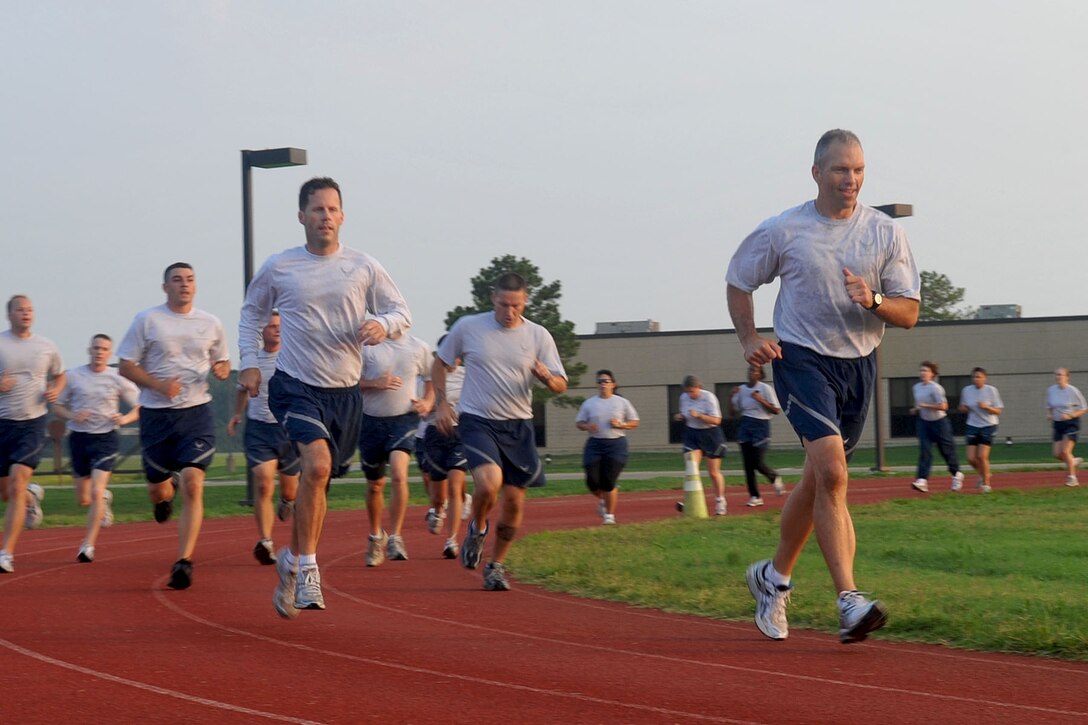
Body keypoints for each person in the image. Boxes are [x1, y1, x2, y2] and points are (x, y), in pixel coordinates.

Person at [726, 129, 920, 644]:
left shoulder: (885, 233)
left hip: (858, 364)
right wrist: (749, 338)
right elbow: (739, 280)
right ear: (817, 174)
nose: (850, 179)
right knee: (834, 473)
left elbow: (909, 312)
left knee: (818, 481)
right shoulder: (785, 230)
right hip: (801, 358)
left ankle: (774, 578)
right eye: (839, 170)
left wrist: (873, 300)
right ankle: (850, 599)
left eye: (858, 170)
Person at [238, 177, 410, 618]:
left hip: (345, 393)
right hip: (295, 386)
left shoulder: (363, 266)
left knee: (319, 483)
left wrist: (383, 326)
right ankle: (310, 569)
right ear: (302, 217)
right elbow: (252, 311)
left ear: (342, 216)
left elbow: (400, 311)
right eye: (317, 210)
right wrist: (250, 361)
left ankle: (292, 562)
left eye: (333, 209)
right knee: (317, 466)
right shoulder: (281, 266)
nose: (326, 217)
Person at [433, 271, 567, 591]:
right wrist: (441, 403)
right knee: (488, 483)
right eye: (504, 304)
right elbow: (439, 363)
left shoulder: (538, 336)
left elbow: (561, 385)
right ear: (493, 298)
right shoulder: (469, 327)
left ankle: (496, 566)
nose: (510, 312)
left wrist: (547, 377)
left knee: (514, 504)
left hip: (518, 425)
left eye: (516, 305)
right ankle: (477, 528)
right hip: (478, 420)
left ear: (525, 301)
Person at [118, 263, 230, 590]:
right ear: (165, 287)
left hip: (196, 413)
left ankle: (184, 561)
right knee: (158, 489)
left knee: (195, 483)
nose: (184, 285)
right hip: (156, 416)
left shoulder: (210, 323)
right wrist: (156, 384)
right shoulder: (147, 320)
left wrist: (222, 369)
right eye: (177, 280)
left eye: (190, 280)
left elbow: (221, 360)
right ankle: (165, 496)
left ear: (195, 286)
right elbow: (125, 364)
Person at [53, 334, 140, 563]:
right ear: (88, 350)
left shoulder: (117, 377)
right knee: (84, 499)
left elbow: (140, 406)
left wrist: (125, 419)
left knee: (95, 490)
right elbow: (58, 407)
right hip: (79, 438)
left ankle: (87, 546)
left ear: (109, 353)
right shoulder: (74, 376)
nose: (99, 352)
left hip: (106, 439)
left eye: (104, 349)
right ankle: (103, 501)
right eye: (96, 348)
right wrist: (73, 415)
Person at [227, 312, 299, 566]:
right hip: (260, 429)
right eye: (270, 326)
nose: (276, 330)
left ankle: (287, 501)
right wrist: (237, 414)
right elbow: (240, 389)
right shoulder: (253, 359)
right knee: (264, 483)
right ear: (262, 332)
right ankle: (266, 541)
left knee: (290, 491)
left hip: (289, 430)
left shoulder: (293, 355)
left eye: (279, 326)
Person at [0, 295, 65, 574]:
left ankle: (6, 553)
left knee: (15, 484)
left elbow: (60, 375)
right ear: (9, 314)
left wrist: (56, 390)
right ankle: (30, 496)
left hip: (32, 423)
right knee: (7, 492)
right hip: (2, 423)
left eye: (30, 310)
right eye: (20, 310)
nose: (26, 314)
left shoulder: (46, 346)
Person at [358, 331, 433, 566]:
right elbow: (348, 382)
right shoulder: (365, 346)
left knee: (400, 474)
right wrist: (374, 383)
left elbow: (433, 377)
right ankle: (375, 535)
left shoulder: (418, 346)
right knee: (375, 485)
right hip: (370, 422)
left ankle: (396, 537)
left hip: (404, 420)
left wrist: (428, 401)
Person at [420, 344, 470, 559]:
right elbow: (422, 406)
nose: (453, 360)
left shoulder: (468, 375)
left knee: (455, 485)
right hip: (435, 433)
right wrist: (430, 406)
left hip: (461, 435)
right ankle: (437, 509)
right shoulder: (431, 375)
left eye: (456, 356)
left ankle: (452, 540)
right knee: (438, 494)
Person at [574, 369, 639, 524]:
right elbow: (579, 422)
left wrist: (621, 424)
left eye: (606, 381)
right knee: (592, 480)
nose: (603, 384)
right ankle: (604, 499)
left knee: (609, 481)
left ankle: (609, 515)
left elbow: (635, 421)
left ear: (613, 384)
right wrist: (587, 426)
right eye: (600, 381)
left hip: (616, 444)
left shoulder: (621, 402)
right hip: (595, 443)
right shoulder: (590, 403)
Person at [729, 364, 784, 507]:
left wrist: (760, 400)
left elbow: (776, 410)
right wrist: (731, 396)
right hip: (746, 424)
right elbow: (732, 413)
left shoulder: (765, 389)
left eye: (755, 370)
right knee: (748, 465)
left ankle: (773, 476)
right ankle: (755, 496)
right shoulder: (741, 390)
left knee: (758, 462)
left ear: (760, 374)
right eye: (750, 370)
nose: (751, 372)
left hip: (761, 425)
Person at [674, 375, 728, 515]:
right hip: (692, 433)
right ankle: (691, 500)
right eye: (687, 392)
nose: (690, 395)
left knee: (713, 472)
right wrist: (680, 416)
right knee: (691, 467)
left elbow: (717, 420)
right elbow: (684, 414)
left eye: (692, 391)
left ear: (699, 388)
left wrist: (700, 416)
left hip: (710, 434)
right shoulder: (684, 398)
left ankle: (720, 500)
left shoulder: (709, 398)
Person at [909, 361, 964, 493]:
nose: (922, 373)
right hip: (923, 422)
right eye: (921, 370)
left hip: (940, 423)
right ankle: (922, 480)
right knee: (925, 450)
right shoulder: (916, 387)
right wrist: (916, 409)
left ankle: (956, 474)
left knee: (946, 451)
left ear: (932, 374)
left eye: (926, 371)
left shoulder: (936, 388)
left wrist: (926, 406)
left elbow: (944, 406)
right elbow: (919, 405)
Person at [957, 367, 1003, 493]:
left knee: (982, 456)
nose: (975, 379)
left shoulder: (991, 391)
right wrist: (963, 408)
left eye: (978, 377)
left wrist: (987, 407)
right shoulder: (966, 390)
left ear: (985, 378)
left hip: (988, 425)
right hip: (972, 425)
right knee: (971, 458)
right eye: (973, 377)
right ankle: (984, 474)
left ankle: (986, 484)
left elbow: (998, 411)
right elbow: (962, 407)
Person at [1045, 367, 1087, 487]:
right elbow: (1050, 405)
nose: (1058, 377)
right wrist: (1049, 414)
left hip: (1071, 423)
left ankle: (1072, 478)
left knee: (1066, 451)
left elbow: (1083, 408)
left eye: (1060, 375)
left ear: (1067, 377)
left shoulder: (1073, 391)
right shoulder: (1051, 390)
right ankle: (1073, 461)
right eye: (1056, 375)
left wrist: (1070, 415)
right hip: (1058, 423)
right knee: (1057, 454)